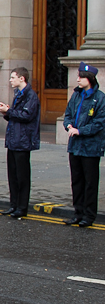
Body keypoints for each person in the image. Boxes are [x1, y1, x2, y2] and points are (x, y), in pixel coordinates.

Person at [62, 62, 105, 227]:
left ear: (90, 79)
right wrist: (69, 126)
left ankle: (89, 215)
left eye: (81, 77)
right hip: (75, 146)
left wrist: (80, 131)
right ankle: (78, 213)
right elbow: (68, 115)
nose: (78, 79)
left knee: (90, 183)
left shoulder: (100, 98)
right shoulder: (76, 95)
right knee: (77, 181)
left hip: (91, 147)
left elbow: (99, 123)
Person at [0, 67, 40, 218]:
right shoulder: (18, 94)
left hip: (23, 140)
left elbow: (26, 116)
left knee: (22, 177)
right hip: (14, 140)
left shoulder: (31, 96)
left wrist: (9, 111)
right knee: (12, 175)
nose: (10, 80)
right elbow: (15, 116)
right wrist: (6, 112)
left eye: (13, 77)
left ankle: (22, 207)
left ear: (22, 78)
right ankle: (13, 205)